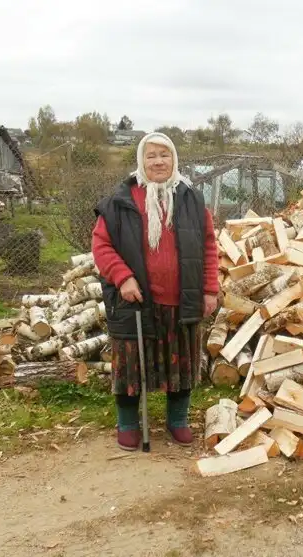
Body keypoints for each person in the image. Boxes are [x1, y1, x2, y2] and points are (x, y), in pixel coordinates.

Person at [91, 132, 219, 451]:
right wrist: (123, 278)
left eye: (165, 154)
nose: (159, 161)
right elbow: (101, 245)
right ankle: (128, 424)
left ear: (174, 159)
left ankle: (177, 420)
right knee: (131, 366)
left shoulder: (191, 199)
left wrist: (209, 289)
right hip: (136, 302)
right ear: (141, 161)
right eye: (151, 156)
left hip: (181, 300)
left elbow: (208, 246)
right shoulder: (120, 201)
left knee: (182, 364)